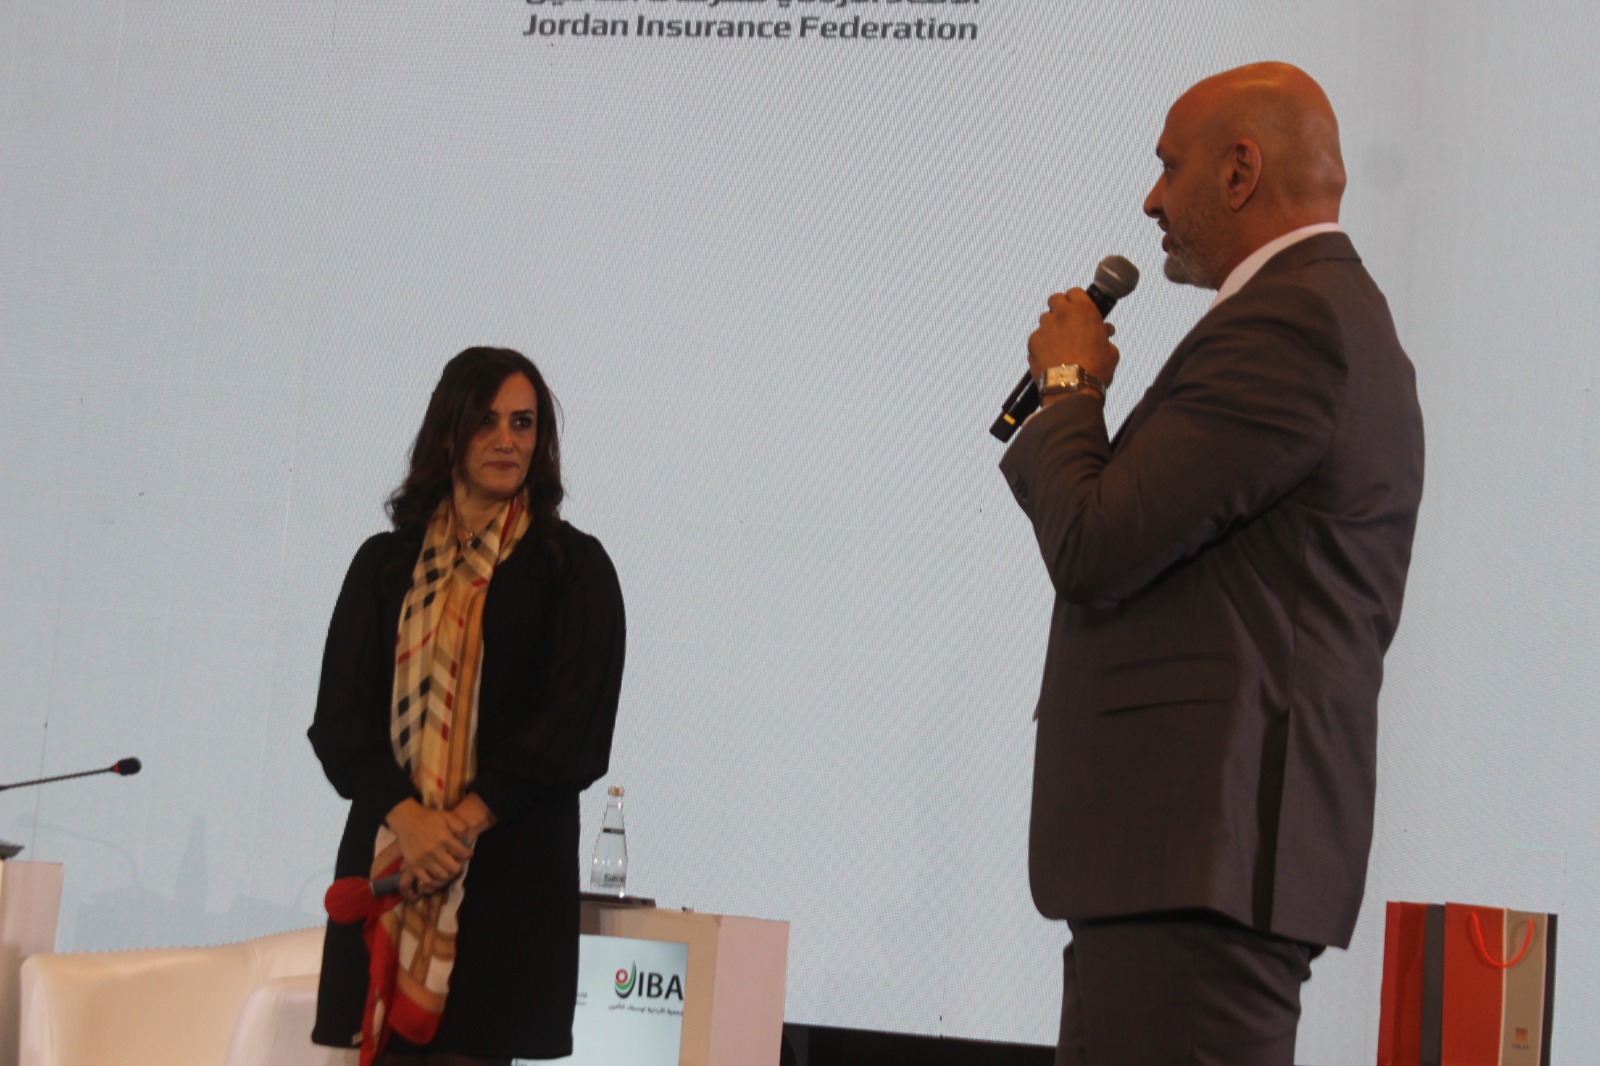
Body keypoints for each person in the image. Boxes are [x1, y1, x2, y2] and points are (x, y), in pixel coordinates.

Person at [999, 64, 1424, 1065]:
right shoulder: (1319, 315)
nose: (1151, 200)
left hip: (1199, 858)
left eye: (1168, 166)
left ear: (1239, 172)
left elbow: (1096, 543)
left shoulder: (1293, 323)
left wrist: (1069, 386)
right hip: (1188, 865)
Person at [308, 347, 626, 1065]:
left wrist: (452, 831)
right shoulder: (384, 565)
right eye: (487, 421)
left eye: (523, 423)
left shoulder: (572, 568)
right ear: (448, 432)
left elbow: (573, 731)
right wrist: (412, 822)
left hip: (506, 883)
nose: (507, 440)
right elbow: (340, 723)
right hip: (391, 863)